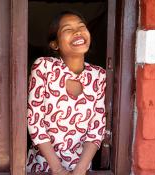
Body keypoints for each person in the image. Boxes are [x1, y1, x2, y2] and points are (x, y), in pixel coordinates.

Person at [26, 10, 107, 175]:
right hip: (43, 167)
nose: (78, 32)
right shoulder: (44, 68)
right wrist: (58, 170)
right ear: (54, 44)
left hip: (82, 168)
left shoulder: (98, 75)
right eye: (68, 29)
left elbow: (96, 129)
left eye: (81, 27)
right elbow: (35, 122)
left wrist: (79, 170)